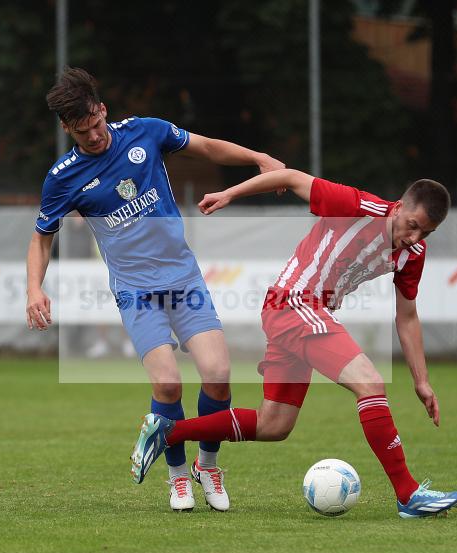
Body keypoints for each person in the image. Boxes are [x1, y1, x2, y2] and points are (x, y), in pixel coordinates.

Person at [131, 168, 457, 518]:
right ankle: (408, 494)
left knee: (274, 425)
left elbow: (407, 316)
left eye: (426, 232)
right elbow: (289, 177)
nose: (415, 236)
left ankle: (167, 432)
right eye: (412, 224)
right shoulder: (356, 206)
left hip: (302, 313)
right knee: (371, 383)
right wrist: (229, 194)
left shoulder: (412, 254)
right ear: (398, 208)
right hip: (294, 303)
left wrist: (422, 380)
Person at [26, 67, 285, 511]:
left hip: (183, 277)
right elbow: (41, 237)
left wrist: (258, 157)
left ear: (102, 110)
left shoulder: (145, 132)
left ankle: (208, 464)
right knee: (167, 383)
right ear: (67, 128)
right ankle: (178, 476)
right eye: (82, 131)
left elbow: (206, 146)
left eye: (96, 124)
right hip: (135, 290)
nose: (94, 137)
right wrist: (34, 288)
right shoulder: (62, 177)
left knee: (219, 375)